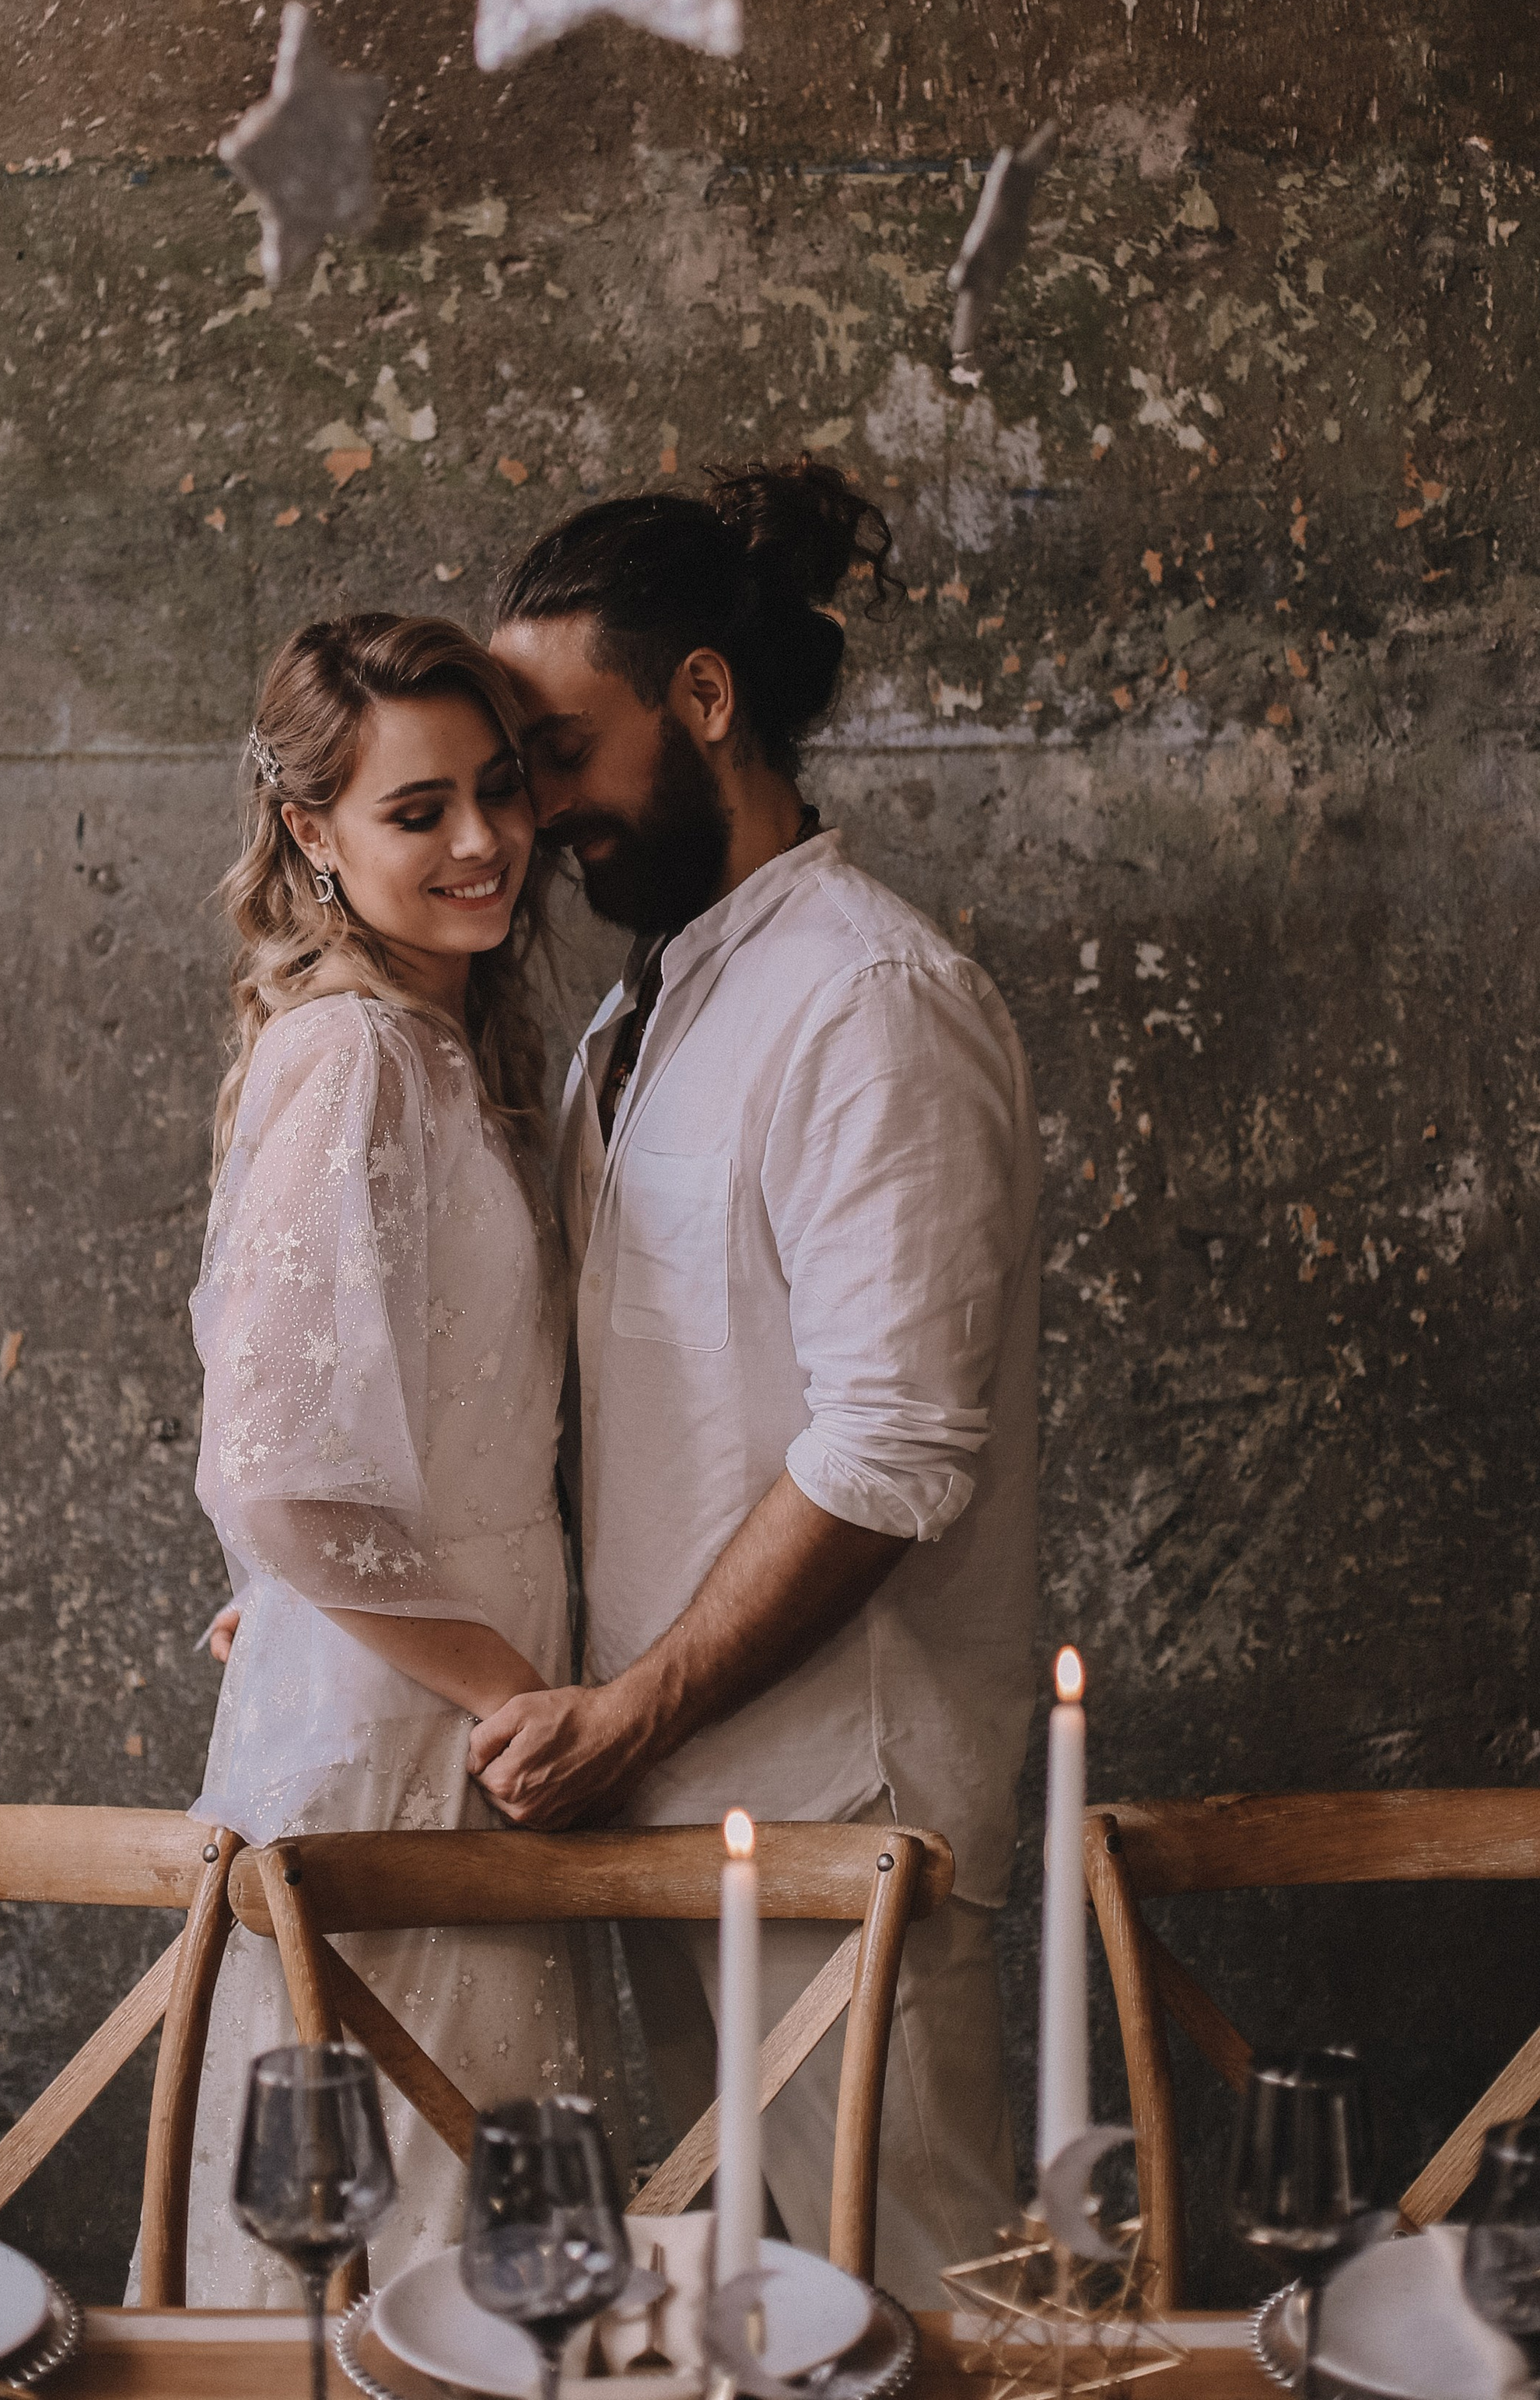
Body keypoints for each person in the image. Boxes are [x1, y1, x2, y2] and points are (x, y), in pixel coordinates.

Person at [473, 460, 1042, 2308]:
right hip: (662, 1810)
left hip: (833, 1821)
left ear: (702, 701)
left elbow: (889, 1452)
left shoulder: (868, 1002)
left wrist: (634, 1709)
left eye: (557, 751)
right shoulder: (639, 1019)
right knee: (737, 2334)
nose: (528, 813)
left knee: (937, 2321)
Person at [160, 612, 618, 2305]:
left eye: (497, 792)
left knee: (472, 2218)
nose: (485, 842)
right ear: (310, 831)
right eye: (416, 811)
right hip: (427, 1719)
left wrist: (294, 1599)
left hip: (420, 1670)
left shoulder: (439, 1048)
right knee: (393, 2238)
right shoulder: (345, 1053)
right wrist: (512, 1691)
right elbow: (278, 1468)